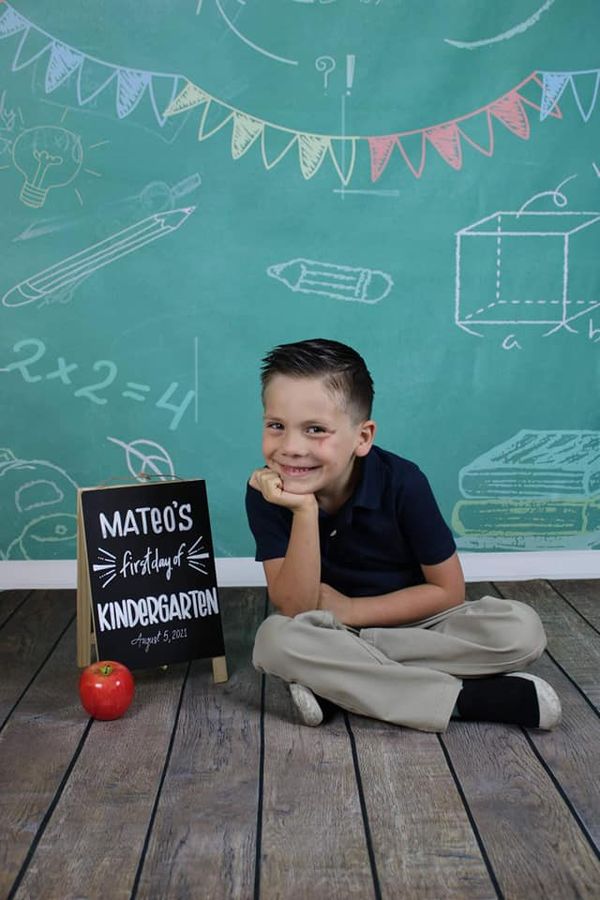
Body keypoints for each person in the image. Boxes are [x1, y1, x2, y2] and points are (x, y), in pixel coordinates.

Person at [245, 338, 561, 732]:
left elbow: (448, 592)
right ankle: (464, 700)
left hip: (417, 627)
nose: (291, 447)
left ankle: (339, 681)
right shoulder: (267, 492)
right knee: (275, 639)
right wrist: (304, 510)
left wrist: (351, 612)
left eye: (315, 430)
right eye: (277, 426)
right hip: (325, 631)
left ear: (362, 438)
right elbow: (296, 606)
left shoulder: (403, 482)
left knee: (520, 627)